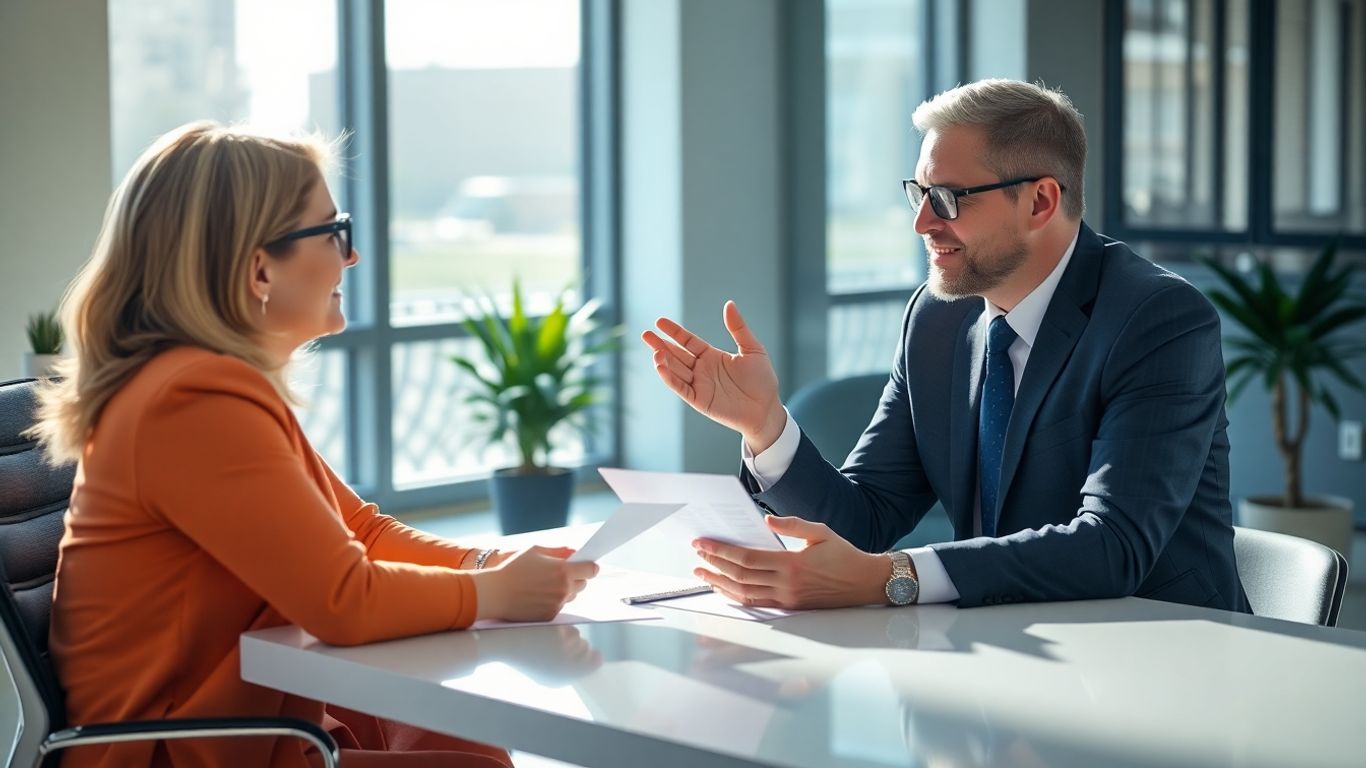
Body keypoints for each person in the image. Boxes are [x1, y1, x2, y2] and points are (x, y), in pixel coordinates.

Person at [31, 122, 598, 768]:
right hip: (177, 754)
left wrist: (486, 564)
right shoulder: (191, 401)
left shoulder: (207, 382)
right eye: (333, 232)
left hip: (255, 729)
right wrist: (496, 594)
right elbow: (344, 601)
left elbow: (364, 534)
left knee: (464, 737)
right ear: (259, 268)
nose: (350, 258)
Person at [642, 79, 1249, 614]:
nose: (923, 223)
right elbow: (866, 518)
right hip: (1000, 649)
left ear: (1040, 201)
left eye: (949, 198)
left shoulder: (1158, 319)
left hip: (1163, 654)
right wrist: (765, 426)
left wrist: (893, 578)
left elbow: (1113, 546)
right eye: (920, 193)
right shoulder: (938, 318)